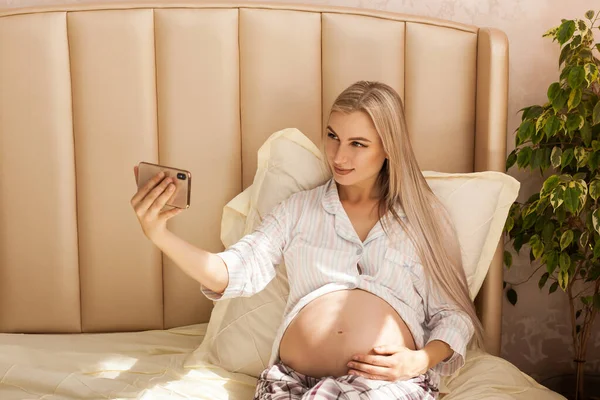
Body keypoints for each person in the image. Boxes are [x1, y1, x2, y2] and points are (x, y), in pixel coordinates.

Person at [130, 81, 484, 399]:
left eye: (357, 144)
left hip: (386, 385)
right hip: (291, 382)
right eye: (333, 137)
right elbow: (233, 270)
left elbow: (453, 314)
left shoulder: (424, 218)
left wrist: (420, 360)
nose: (339, 156)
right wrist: (159, 234)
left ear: (389, 148)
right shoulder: (298, 210)